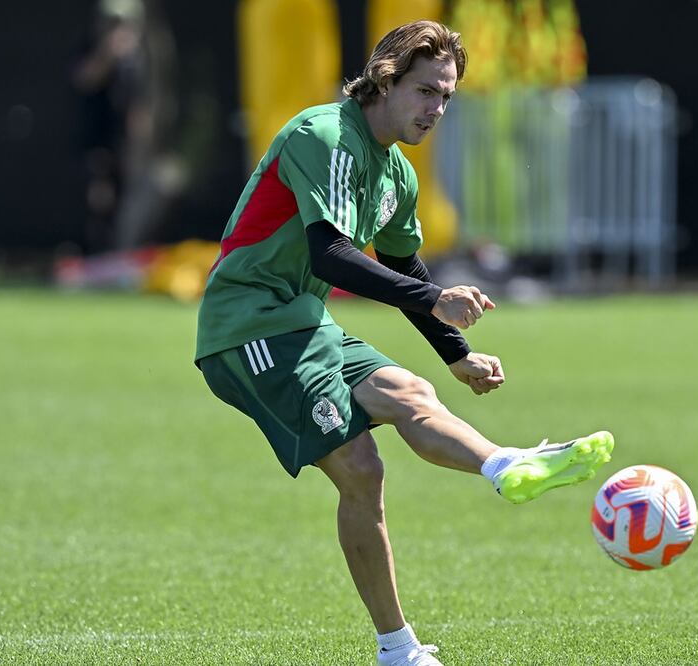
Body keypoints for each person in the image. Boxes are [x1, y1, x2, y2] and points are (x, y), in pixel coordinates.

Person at [195, 20, 614, 666]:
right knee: (361, 468)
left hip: (303, 324)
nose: (435, 109)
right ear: (385, 79)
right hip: (246, 325)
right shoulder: (323, 134)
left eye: (445, 96)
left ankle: (506, 466)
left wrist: (455, 354)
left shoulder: (396, 174)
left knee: (410, 392)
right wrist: (434, 301)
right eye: (424, 91)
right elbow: (331, 255)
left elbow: (406, 269)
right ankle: (399, 652)